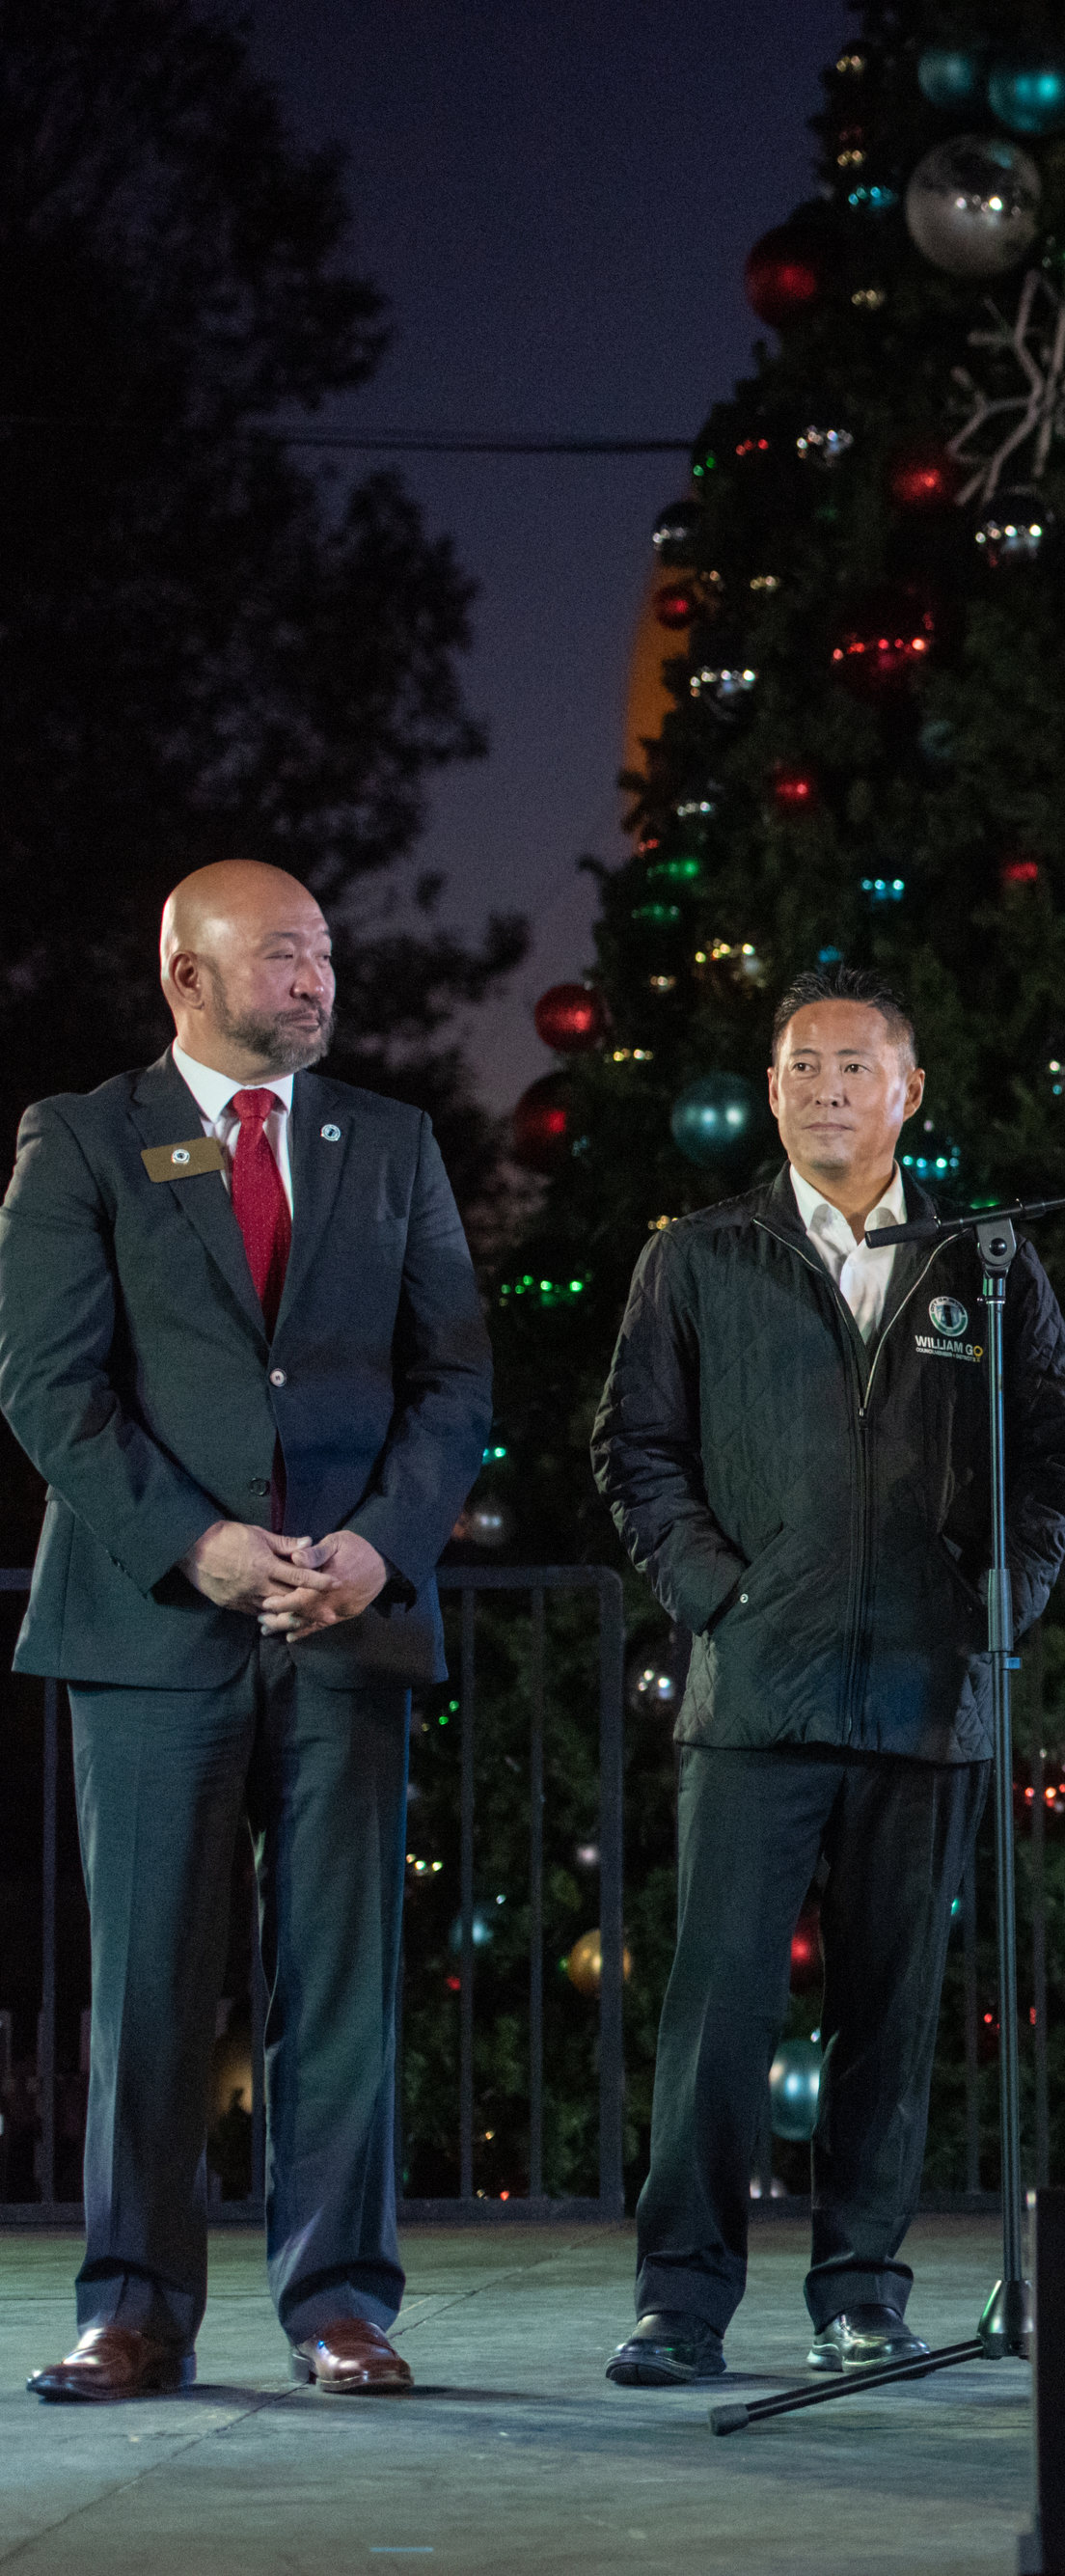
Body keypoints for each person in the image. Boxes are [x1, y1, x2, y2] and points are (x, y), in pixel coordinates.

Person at [0, 861, 490, 2401]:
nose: (313, 979)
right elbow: (48, 1385)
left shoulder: (392, 1145)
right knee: (149, 1978)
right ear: (184, 971)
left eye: (322, 953)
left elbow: (455, 1384)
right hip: (155, 1626)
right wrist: (195, 1543)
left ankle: (340, 2300)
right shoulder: (81, 1136)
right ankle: (133, 2301)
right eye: (280, 954)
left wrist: (380, 1545)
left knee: (338, 1978)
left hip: (347, 1621)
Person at [591, 967, 1065, 2385]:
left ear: (908, 1092)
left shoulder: (984, 1261)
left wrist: (1005, 1594)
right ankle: (680, 2300)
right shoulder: (698, 1255)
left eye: (855, 1066)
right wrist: (715, 1597)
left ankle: (861, 2289)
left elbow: (1056, 1452)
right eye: (802, 1064)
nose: (827, 1086)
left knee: (892, 2007)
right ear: (770, 1089)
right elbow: (634, 1450)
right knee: (719, 2009)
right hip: (756, 1697)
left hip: (929, 1699)